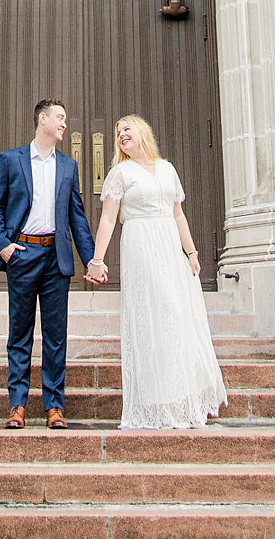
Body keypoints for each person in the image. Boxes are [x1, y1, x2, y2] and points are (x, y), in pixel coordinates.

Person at [89, 114, 227, 429]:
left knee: (178, 319)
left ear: (142, 133)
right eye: (118, 132)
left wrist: (191, 251)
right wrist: (98, 260)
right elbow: (109, 219)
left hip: (169, 246)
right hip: (141, 246)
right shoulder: (119, 173)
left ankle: (182, 399)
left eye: (127, 129)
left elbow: (178, 214)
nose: (121, 134)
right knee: (155, 318)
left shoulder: (167, 169)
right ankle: (161, 406)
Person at [0, 96, 106, 428]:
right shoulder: (11, 160)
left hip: (56, 257)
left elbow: (77, 218)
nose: (65, 124)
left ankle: (55, 406)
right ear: (42, 120)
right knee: (19, 332)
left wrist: (92, 260)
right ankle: (17, 406)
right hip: (22, 255)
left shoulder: (68, 166)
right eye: (60, 118)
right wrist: (4, 246)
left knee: (56, 335)